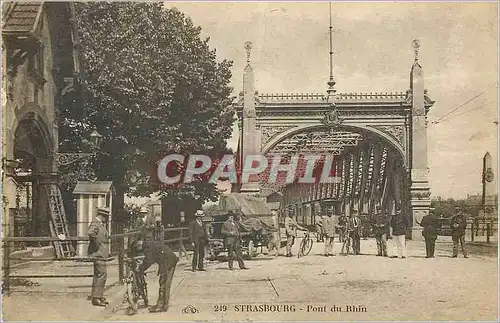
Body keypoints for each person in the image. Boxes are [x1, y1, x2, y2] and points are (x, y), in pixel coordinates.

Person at [129, 239, 179, 313]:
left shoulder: (148, 248)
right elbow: (149, 259)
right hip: (167, 260)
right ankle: (161, 304)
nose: (140, 252)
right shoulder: (148, 244)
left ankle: (161, 306)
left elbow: (148, 261)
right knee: (163, 283)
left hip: (168, 261)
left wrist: (140, 269)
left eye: (138, 250)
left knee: (164, 284)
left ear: (139, 245)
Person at [88, 207, 110, 307]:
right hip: (98, 254)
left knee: (99, 275)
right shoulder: (96, 223)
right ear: (102, 215)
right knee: (102, 274)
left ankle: (97, 296)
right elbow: (91, 233)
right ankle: (96, 298)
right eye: (106, 216)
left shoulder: (99, 224)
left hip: (100, 253)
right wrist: (98, 245)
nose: (107, 219)